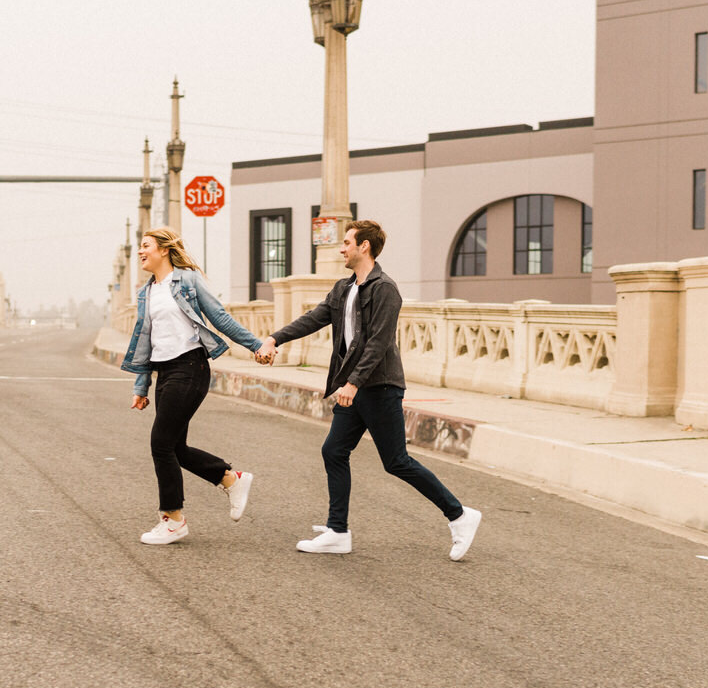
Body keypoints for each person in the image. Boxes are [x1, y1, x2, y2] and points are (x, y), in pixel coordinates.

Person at [256, 220, 481, 560]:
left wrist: (353, 383)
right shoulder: (344, 289)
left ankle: (460, 515)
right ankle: (338, 531)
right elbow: (314, 317)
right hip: (355, 387)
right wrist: (275, 338)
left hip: (379, 387)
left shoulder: (384, 288)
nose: (341, 248)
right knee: (334, 451)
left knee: (397, 462)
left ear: (364, 247)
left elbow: (378, 343)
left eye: (347, 242)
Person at [121, 227, 265, 545]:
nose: (141, 252)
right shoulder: (146, 292)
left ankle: (173, 520)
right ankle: (231, 479)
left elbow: (220, 317)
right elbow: (145, 341)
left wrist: (256, 345)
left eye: (146, 246)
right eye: (139, 247)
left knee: (160, 444)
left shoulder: (186, 280)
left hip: (190, 367)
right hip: (165, 372)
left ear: (164, 250)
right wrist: (141, 386)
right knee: (176, 448)